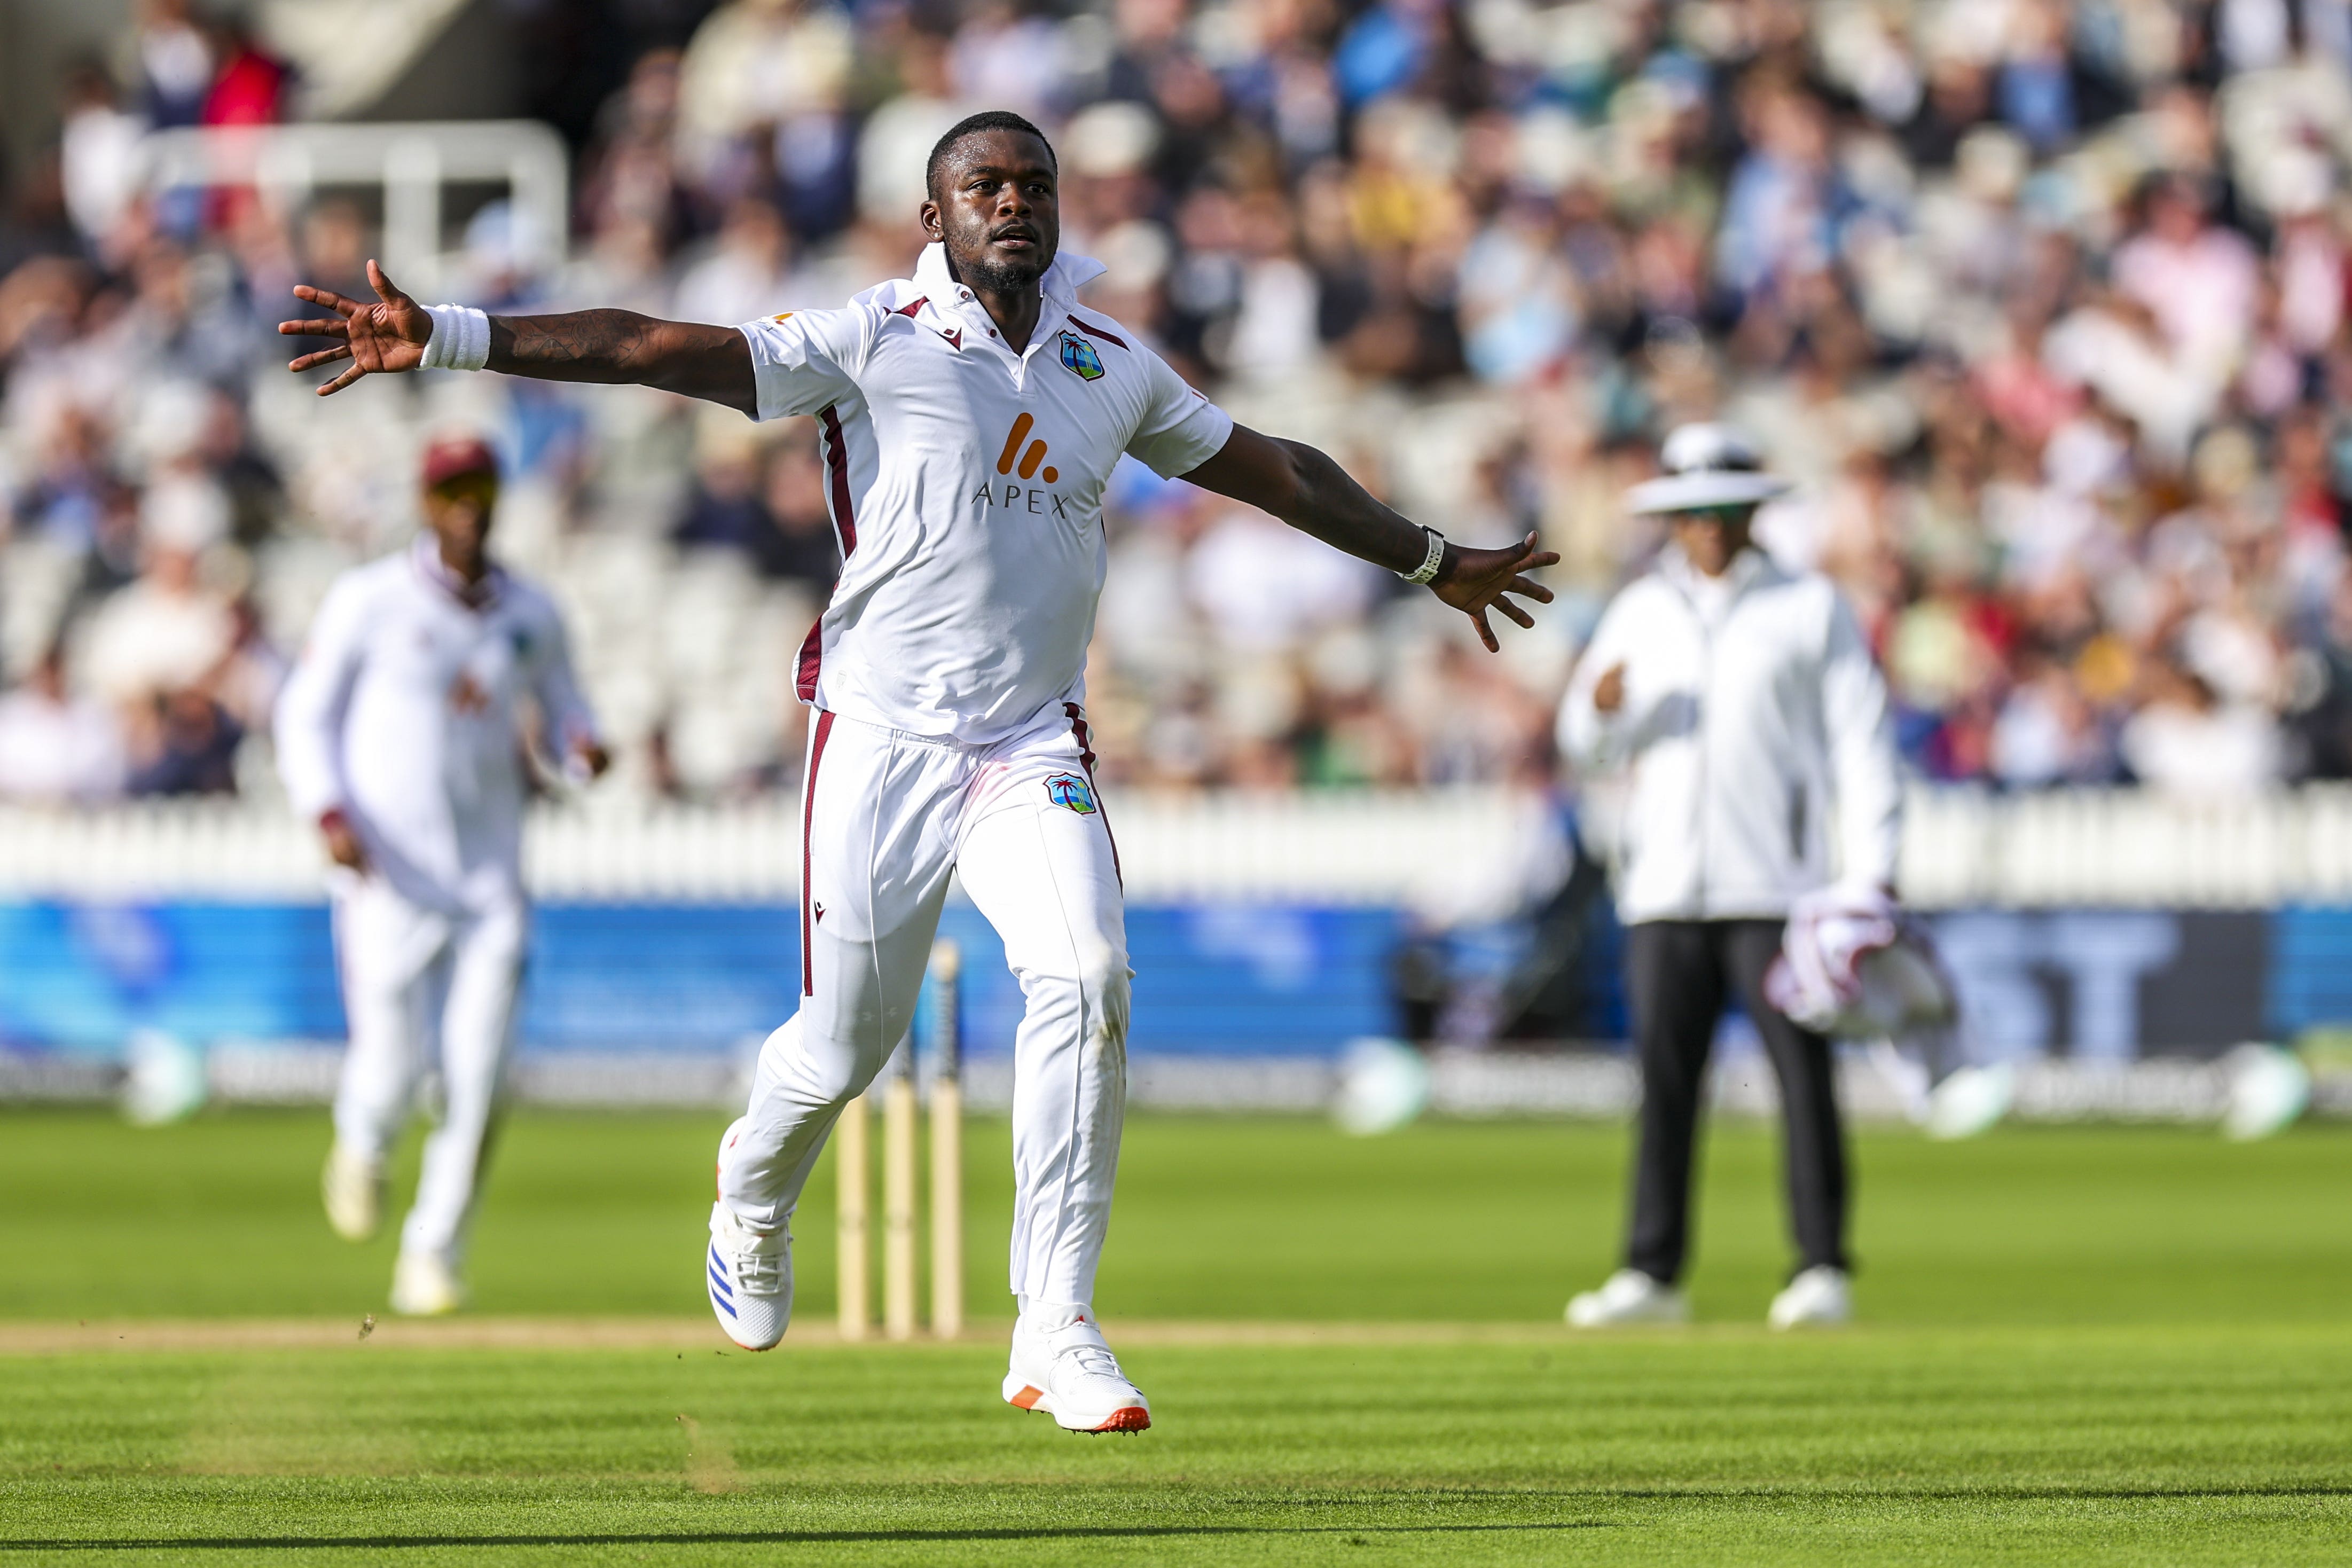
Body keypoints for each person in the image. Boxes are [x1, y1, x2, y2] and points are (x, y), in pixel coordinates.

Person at [279, 109, 1555, 1431]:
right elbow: (657, 346)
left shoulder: (1109, 361)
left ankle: (1054, 1325)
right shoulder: (872, 335)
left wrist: (1427, 558)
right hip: (881, 739)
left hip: (1030, 740)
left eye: (1034, 184)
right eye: (983, 185)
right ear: (933, 217)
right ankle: (751, 1194)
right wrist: (454, 334)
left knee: (1089, 977)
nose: (1014, 202)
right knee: (845, 1048)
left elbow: (1273, 467)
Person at [1557, 424, 1900, 1331]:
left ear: (1753, 514)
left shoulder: (1809, 606)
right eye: (1691, 513)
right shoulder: (1642, 608)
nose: (1707, 527)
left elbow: (1863, 747)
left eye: (1722, 510)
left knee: (1801, 1078)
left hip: (1780, 888)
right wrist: (1602, 716)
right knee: (1665, 1084)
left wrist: (1870, 875)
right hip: (1665, 888)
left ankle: (1822, 1266)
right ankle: (1652, 1274)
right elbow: (1586, 743)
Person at [272, 434, 608, 1316]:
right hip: (388, 875)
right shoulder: (370, 600)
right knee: (391, 1071)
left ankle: (433, 1252)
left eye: (479, 489)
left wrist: (582, 750)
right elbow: (304, 717)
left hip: (490, 880)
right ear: (427, 503)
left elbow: (569, 711)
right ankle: (363, 1140)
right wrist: (328, 812)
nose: (467, 507)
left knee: (481, 1076)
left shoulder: (531, 613)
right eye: (451, 491)